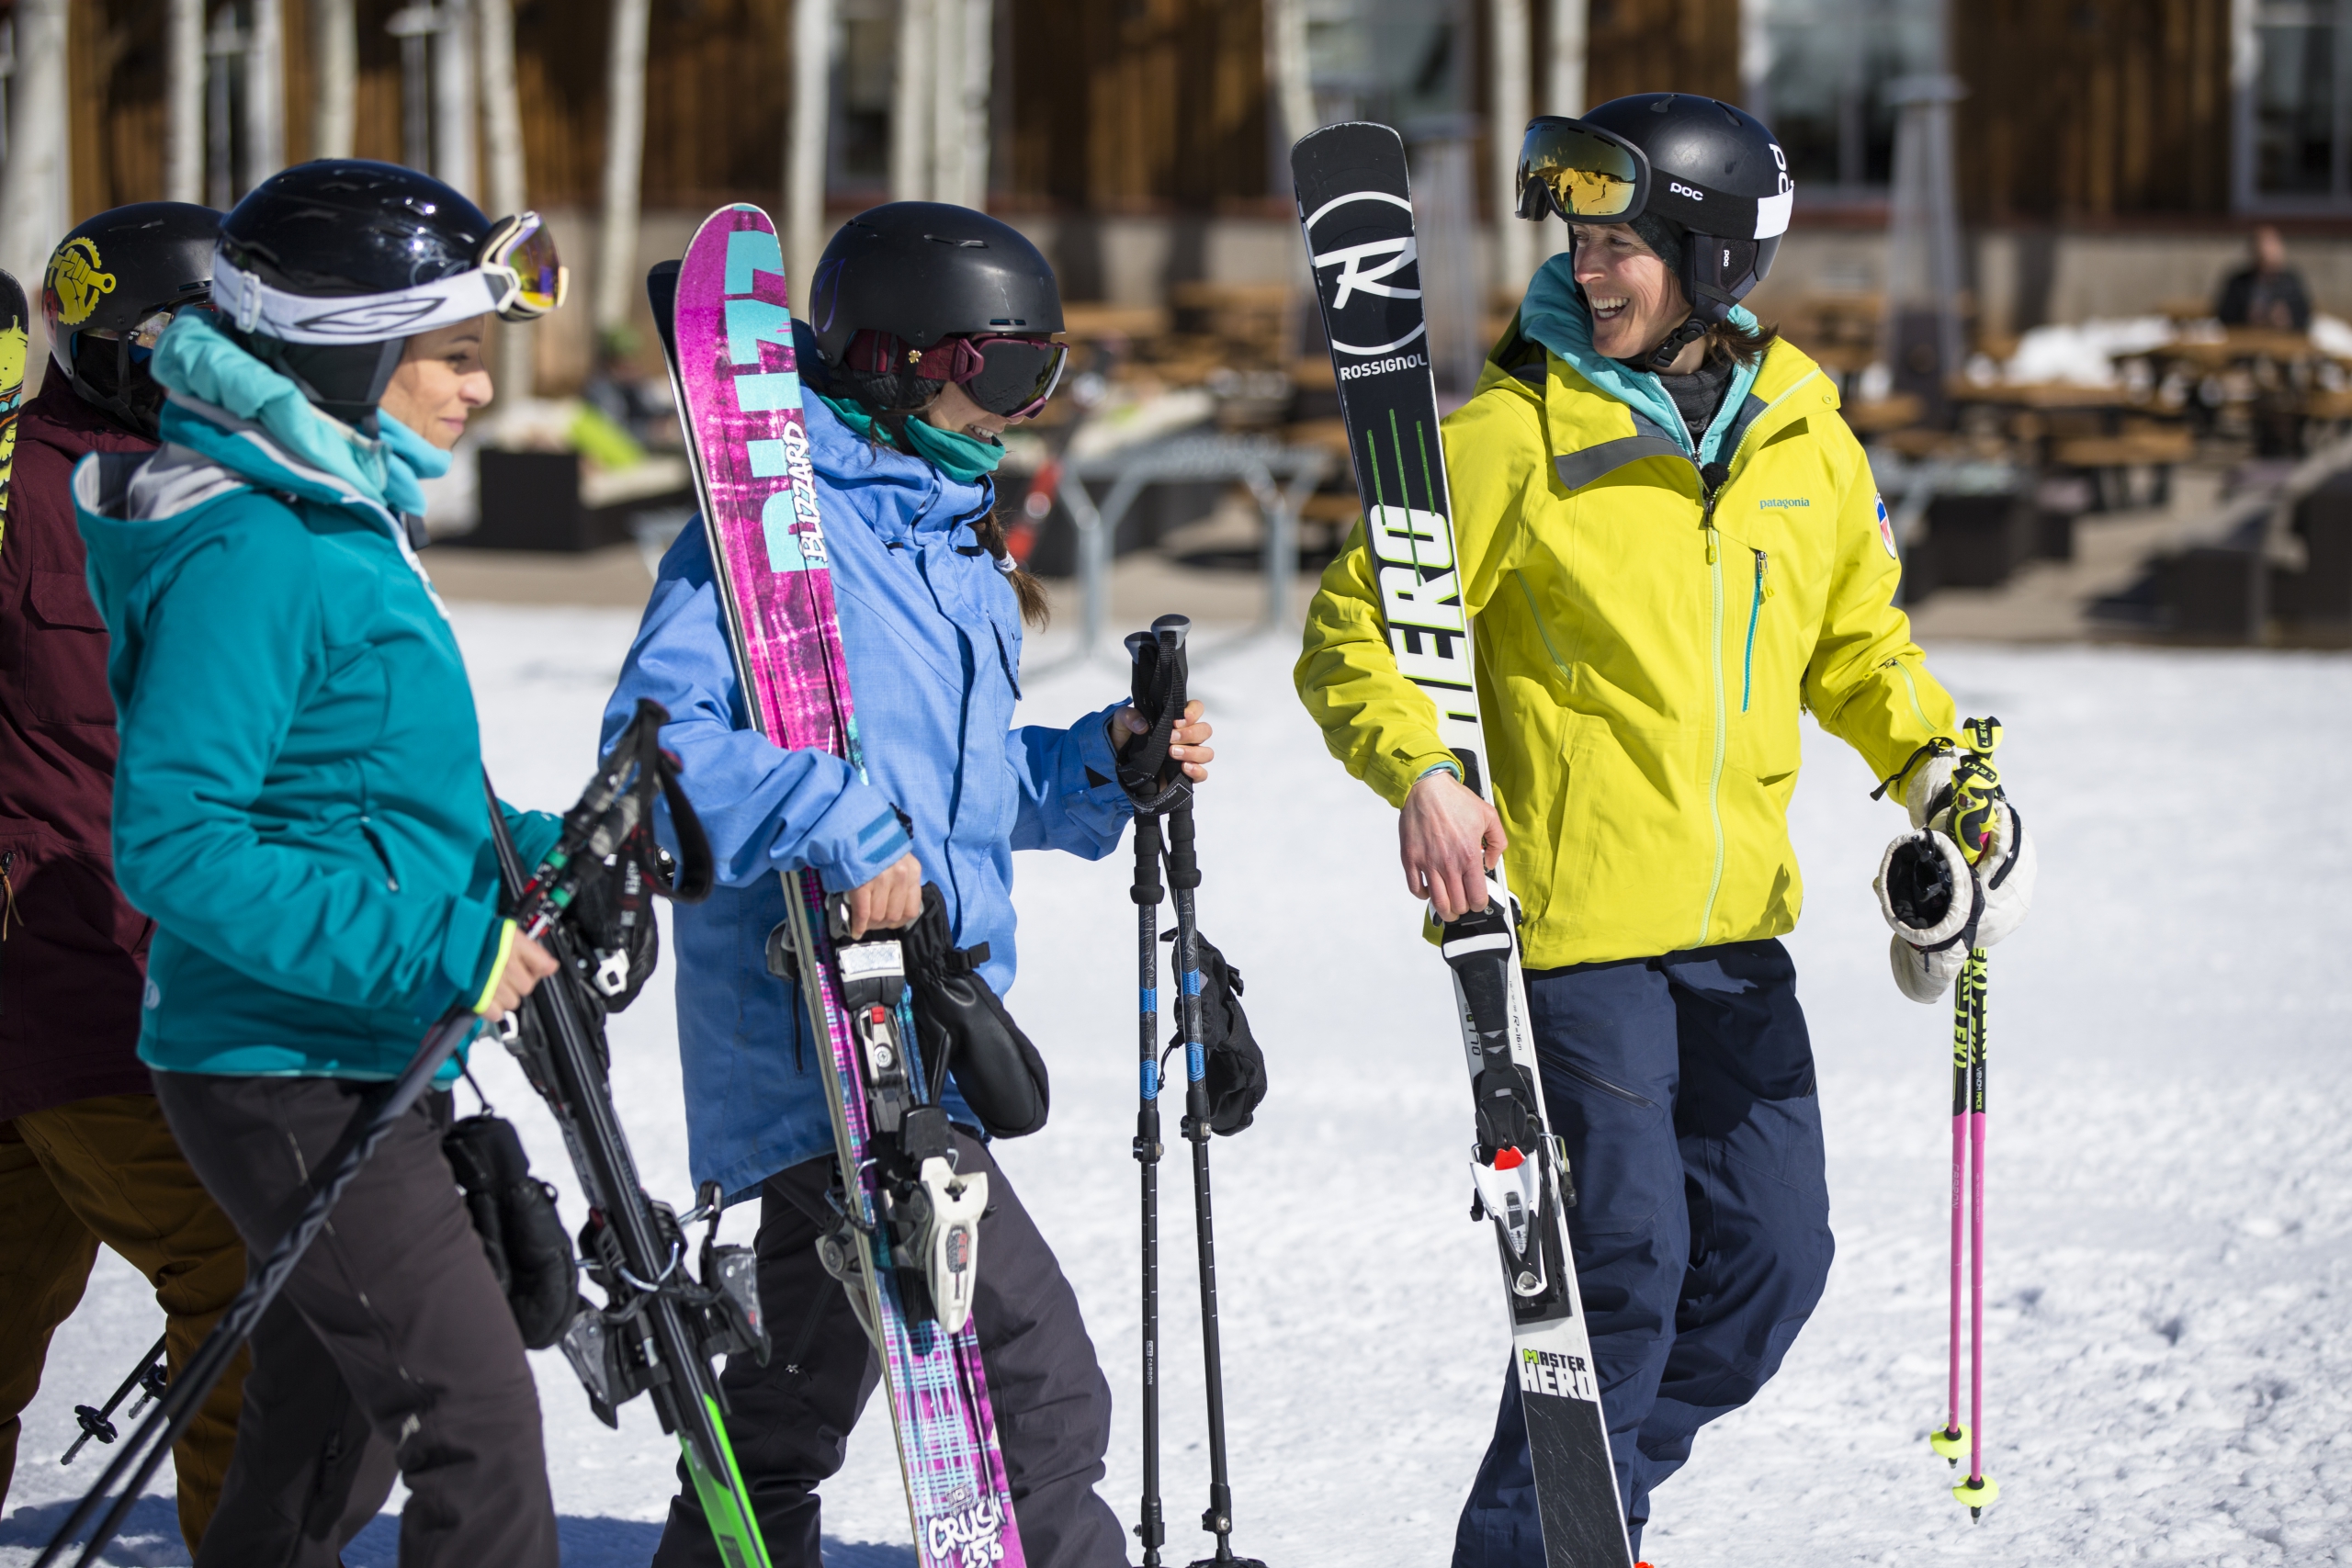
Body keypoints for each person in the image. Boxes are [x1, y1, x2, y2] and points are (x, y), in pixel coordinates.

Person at [1293, 95, 2036, 1563]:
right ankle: (1542, 1543)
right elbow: (1352, 633)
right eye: (1582, 237)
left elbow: (1856, 649)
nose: (1593, 266)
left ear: (1714, 255)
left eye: (1625, 241)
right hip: (1573, 943)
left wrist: (1941, 773)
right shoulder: (1514, 433)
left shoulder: (1804, 440)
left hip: (1736, 936)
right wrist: (1424, 774)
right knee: (1623, 1267)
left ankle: (1597, 1499)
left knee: (1772, 1261)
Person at [603, 199, 1216, 1568]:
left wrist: (1101, 765)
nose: (1026, 404)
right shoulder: (764, 531)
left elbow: (959, 786)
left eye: (1045, 368)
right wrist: (833, 819)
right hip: (821, 1042)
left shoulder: (948, 545)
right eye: (1002, 368)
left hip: (912, 1032)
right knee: (1038, 1386)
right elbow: (653, 753)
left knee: (789, 1399)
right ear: (893, 360)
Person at [70, 160, 571, 1568]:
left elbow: (366, 784)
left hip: (352, 1038)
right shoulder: (255, 546)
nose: (479, 389)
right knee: (475, 1419)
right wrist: (436, 947)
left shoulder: (335, 520)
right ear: (352, 350)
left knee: (323, 1433)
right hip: (275, 1060)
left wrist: (542, 848)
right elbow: (178, 839)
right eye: (456, 355)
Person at [0, 203, 254, 1557]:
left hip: (141, 980)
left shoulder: (223, 503)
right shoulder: (22, 489)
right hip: (78, 985)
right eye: (209, 337)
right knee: (249, 1282)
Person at [2214, 225, 2312, 332]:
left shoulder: (2291, 282)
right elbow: (2224, 318)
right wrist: (2247, 317)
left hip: (2283, 342)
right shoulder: (2239, 283)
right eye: (2263, 257)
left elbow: (2305, 319)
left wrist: (2287, 319)